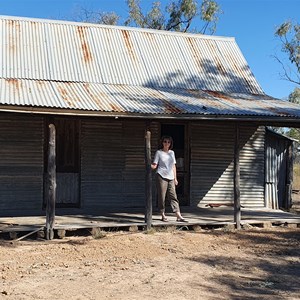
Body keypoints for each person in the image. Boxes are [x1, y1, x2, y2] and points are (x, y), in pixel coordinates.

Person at [151, 135, 187, 222]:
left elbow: (173, 166)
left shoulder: (172, 153)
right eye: (165, 141)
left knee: (173, 196)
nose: (166, 143)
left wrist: (175, 178)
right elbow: (154, 165)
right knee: (162, 196)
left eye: (168, 142)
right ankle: (163, 214)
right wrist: (149, 165)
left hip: (171, 176)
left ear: (170, 144)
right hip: (161, 175)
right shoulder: (159, 153)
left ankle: (178, 215)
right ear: (162, 143)